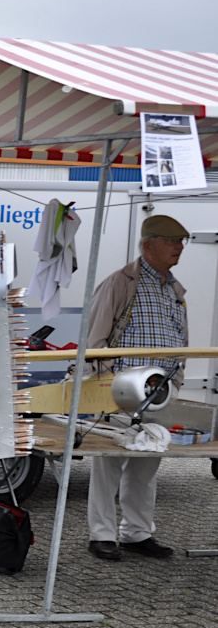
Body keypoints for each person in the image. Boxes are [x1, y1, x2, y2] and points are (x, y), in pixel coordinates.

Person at [83, 214, 190, 561]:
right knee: (108, 461)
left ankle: (136, 533)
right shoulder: (120, 282)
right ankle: (101, 535)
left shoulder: (174, 288)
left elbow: (181, 338)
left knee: (148, 462)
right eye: (173, 241)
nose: (180, 247)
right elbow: (96, 337)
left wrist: (176, 379)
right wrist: (103, 381)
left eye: (182, 242)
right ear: (148, 244)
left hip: (159, 391)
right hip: (121, 387)